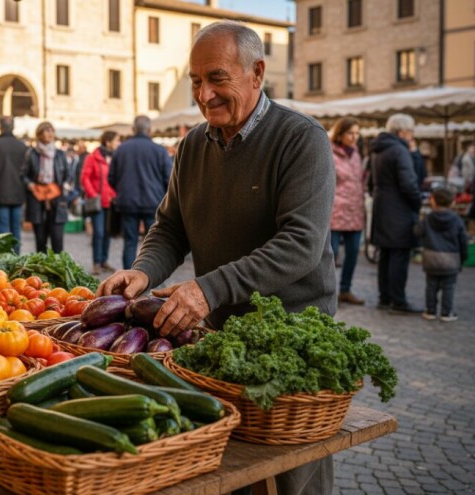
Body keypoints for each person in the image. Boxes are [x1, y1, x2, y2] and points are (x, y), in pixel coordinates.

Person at [98, 21, 337, 495]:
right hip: (219, 337)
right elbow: (171, 227)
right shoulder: (191, 145)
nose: (204, 94)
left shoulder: (302, 139)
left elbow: (300, 244)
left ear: (257, 73)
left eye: (217, 78)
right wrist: (142, 271)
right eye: (195, 81)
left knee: (290, 472)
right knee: (231, 468)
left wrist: (208, 289)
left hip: (289, 337)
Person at [370, 113, 423, 314]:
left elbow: (370, 182)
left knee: (386, 255)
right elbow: (409, 183)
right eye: (411, 131)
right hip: (399, 210)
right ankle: (398, 301)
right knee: (399, 255)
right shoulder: (399, 151)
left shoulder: (377, 150)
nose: (412, 135)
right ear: (401, 131)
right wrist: (417, 203)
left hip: (382, 207)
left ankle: (385, 298)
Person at [109, 115, 173, 269]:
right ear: (149, 130)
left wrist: (123, 190)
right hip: (153, 202)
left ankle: (128, 277)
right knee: (154, 243)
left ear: (133, 129)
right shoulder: (159, 150)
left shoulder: (121, 149)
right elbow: (169, 178)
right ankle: (150, 275)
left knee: (130, 241)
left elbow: (112, 177)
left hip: (128, 202)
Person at [414, 187, 468, 322]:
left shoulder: (428, 218)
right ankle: (446, 312)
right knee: (449, 287)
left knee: (431, 286)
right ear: (452, 203)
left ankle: (430, 310)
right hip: (451, 259)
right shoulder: (457, 220)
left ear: (433, 201)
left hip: (431, 258)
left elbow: (417, 232)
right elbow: (463, 240)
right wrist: (463, 258)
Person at [328, 117, 366, 305]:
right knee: (331, 254)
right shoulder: (330, 152)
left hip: (355, 211)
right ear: (340, 134)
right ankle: (327, 291)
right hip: (335, 212)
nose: (354, 137)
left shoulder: (357, 154)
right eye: (350, 133)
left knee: (352, 253)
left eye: (357, 133)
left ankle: (345, 290)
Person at [23, 121, 73, 253]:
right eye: (47, 130)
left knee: (57, 238)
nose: (50, 133)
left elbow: (68, 174)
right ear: (39, 134)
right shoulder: (32, 153)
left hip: (56, 196)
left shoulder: (60, 154)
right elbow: (23, 175)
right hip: (37, 195)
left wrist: (65, 185)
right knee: (40, 240)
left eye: (52, 130)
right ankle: (41, 271)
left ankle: (58, 270)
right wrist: (30, 184)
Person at [0, 116, 28, 253]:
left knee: (3, 231)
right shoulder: (22, 146)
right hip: (18, 193)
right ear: (13, 127)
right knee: (16, 229)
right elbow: (26, 172)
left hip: (0, 193)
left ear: (0, 127)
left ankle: (5, 259)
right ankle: (16, 259)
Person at [81, 130, 120, 274]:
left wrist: (114, 195)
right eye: (116, 140)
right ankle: (96, 262)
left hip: (110, 202)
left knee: (108, 232)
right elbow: (85, 178)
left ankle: (104, 260)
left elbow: (116, 179)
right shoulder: (93, 157)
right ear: (108, 142)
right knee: (98, 233)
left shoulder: (115, 158)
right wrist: (93, 194)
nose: (118, 143)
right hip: (97, 202)